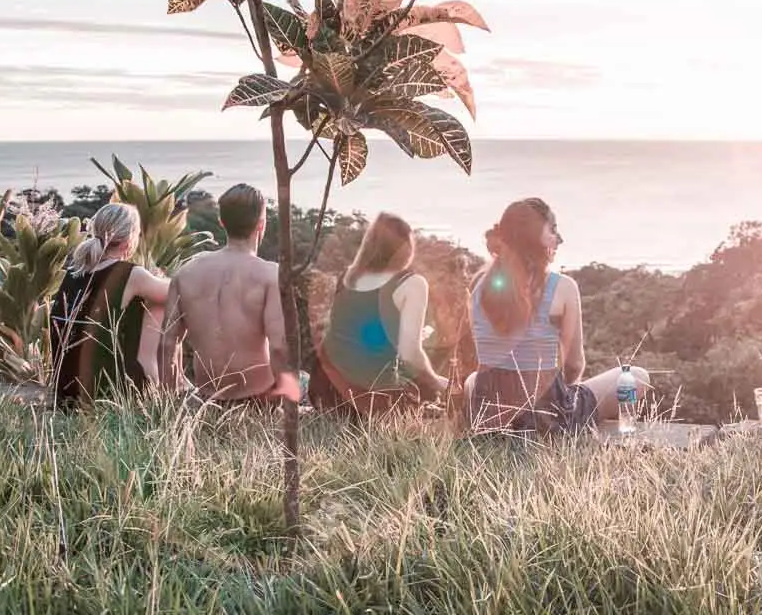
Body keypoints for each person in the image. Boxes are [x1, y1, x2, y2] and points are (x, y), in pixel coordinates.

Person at [465, 197, 649, 434]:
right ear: (532, 238)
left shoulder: (480, 285)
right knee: (637, 376)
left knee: (473, 380)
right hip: (547, 419)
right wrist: (564, 399)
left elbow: (487, 357)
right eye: (552, 230)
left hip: (489, 413)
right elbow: (574, 365)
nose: (559, 239)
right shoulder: (563, 287)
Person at [157, 183, 300, 406]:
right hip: (259, 401)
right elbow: (279, 346)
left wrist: (169, 402)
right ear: (261, 224)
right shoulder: (271, 275)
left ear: (222, 222)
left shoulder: (185, 273)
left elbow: (168, 343)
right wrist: (286, 405)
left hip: (208, 398)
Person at [317, 212, 450, 412]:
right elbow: (410, 355)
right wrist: (439, 384)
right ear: (406, 248)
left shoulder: (348, 277)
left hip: (327, 393)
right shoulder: (411, 283)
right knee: (432, 388)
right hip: (373, 398)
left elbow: (350, 335)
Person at [49, 201, 169, 406]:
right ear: (129, 241)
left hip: (66, 392)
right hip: (107, 395)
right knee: (157, 306)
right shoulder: (129, 273)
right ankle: (154, 388)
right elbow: (175, 291)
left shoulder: (73, 272)